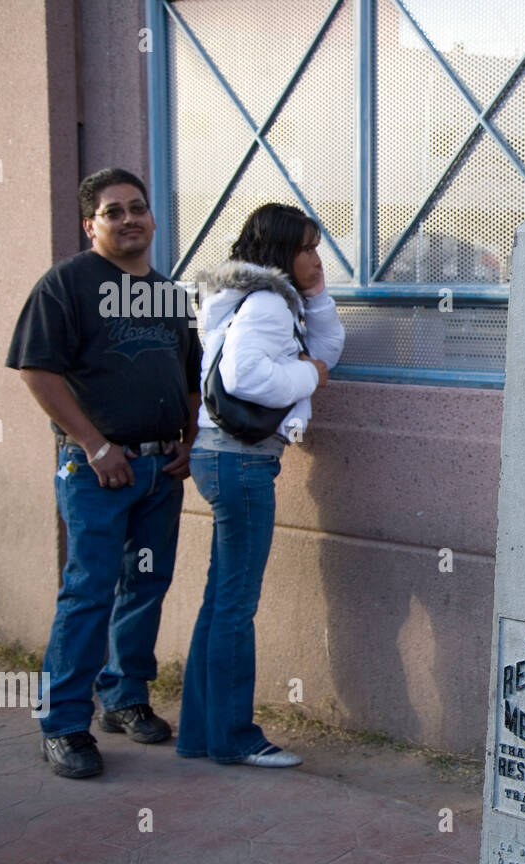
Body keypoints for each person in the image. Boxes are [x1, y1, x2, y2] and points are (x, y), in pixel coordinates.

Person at [6, 168, 200, 778]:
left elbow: (189, 378)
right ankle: (64, 723)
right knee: (88, 590)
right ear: (91, 225)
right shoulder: (66, 284)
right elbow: (37, 369)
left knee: (145, 584)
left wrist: (189, 441)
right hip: (95, 470)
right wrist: (93, 446)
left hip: (158, 469)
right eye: (113, 211)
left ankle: (124, 697)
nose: (129, 219)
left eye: (137, 207)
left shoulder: (169, 293)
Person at [177, 202, 344, 768]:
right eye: (307, 248)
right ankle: (234, 738)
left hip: (221, 457)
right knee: (235, 606)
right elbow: (244, 375)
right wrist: (309, 376)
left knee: (219, 600)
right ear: (279, 251)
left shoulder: (249, 297)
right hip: (241, 462)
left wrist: (318, 296)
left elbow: (327, 347)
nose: (316, 258)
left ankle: (201, 734)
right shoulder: (270, 304)